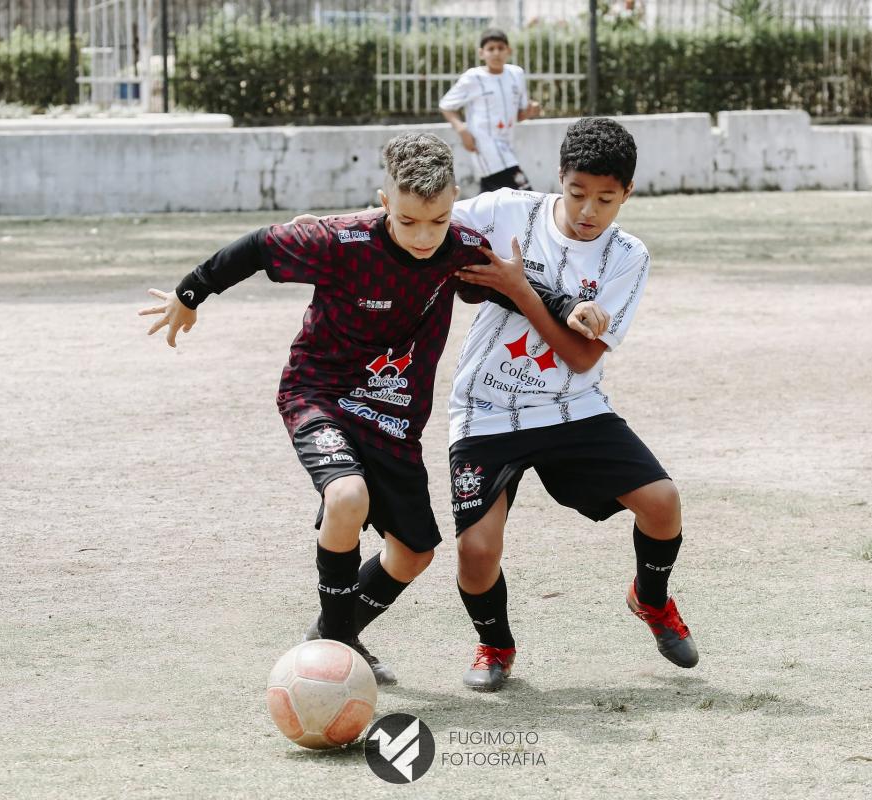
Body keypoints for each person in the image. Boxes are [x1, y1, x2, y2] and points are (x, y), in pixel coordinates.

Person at [139, 133, 599, 685]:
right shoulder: (340, 240)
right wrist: (190, 293)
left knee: (413, 554)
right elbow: (259, 246)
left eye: (438, 220)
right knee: (347, 496)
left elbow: (511, 284)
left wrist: (569, 307)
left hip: (394, 420)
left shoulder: (458, 247)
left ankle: (327, 635)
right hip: (319, 394)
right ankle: (337, 650)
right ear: (385, 202)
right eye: (408, 221)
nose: (424, 236)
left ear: (453, 200)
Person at [446, 117, 699, 691]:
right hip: (487, 408)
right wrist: (333, 227)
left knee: (662, 504)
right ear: (559, 177)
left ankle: (650, 598)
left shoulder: (627, 256)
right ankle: (495, 644)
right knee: (476, 551)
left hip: (571, 405)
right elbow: (425, 221)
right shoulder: (506, 211)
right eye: (578, 192)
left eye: (606, 199)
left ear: (627, 193)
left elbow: (582, 358)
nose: (589, 210)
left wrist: (518, 289)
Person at [439, 28, 543, 195]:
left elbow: (519, 114)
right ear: (481, 53)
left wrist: (531, 111)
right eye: (491, 49)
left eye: (501, 48)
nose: (496, 53)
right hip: (485, 146)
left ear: (508, 51)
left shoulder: (516, 74)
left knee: (494, 197)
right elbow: (446, 105)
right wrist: (462, 129)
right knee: (524, 193)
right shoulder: (473, 78)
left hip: (508, 145)